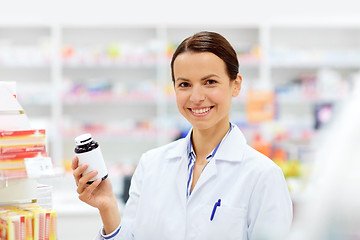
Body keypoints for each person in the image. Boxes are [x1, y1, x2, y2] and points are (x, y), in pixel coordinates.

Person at [72, 31, 293, 240]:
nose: (196, 97)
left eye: (210, 82)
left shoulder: (263, 175)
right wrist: (108, 205)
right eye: (185, 84)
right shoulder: (151, 164)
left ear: (235, 85)